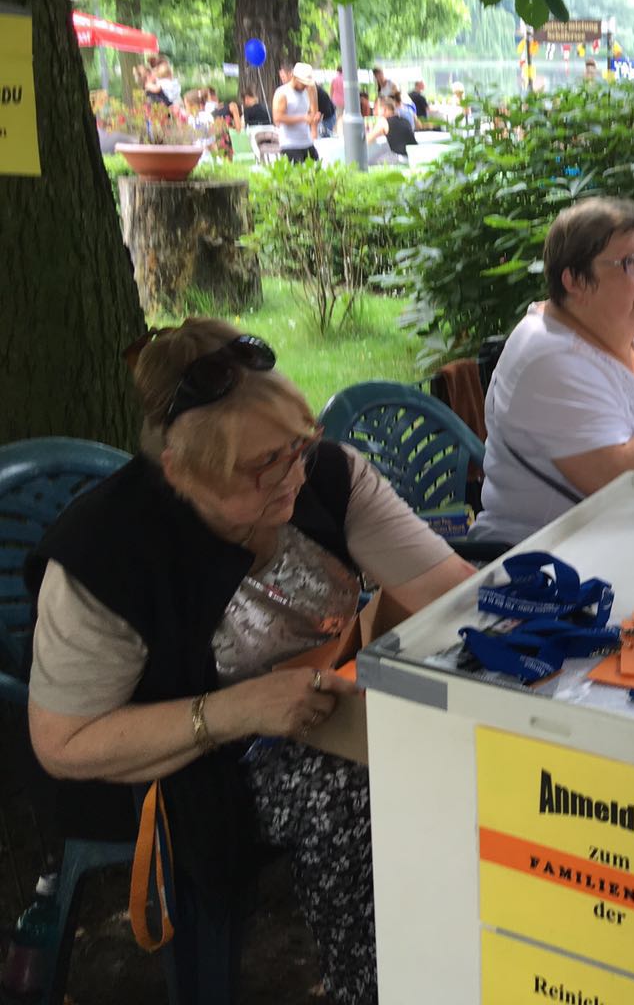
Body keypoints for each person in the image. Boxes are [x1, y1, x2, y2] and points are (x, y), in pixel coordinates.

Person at [26, 319, 477, 1004]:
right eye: (262, 466)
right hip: (173, 761)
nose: (293, 476)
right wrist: (236, 712)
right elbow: (63, 743)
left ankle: (466, 963)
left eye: (297, 446)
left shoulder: (328, 477)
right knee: (351, 792)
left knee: (453, 749)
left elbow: (452, 596)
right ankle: (372, 987)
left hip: (314, 709)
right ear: (180, 470)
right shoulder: (107, 554)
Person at [471, 198, 634, 544]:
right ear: (575, 281)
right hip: (555, 559)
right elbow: (617, 476)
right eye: (632, 264)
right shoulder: (548, 358)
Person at [272, 62, 321, 163]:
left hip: (307, 141)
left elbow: (311, 112)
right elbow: (277, 118)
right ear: (295, 78)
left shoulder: (307, 91)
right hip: (290, 144)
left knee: (316, 169)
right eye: (303, 83)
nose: (305, 86)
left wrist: (314, 119)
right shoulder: (283, 93)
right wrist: (302, 118)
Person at [365, 96, 414, 162]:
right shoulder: (404, 120)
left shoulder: (383, 122)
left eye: (376, 109)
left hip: (400, 160)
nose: (374, 113)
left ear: (384, 109)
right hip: (412, 157)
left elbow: (367, 140)